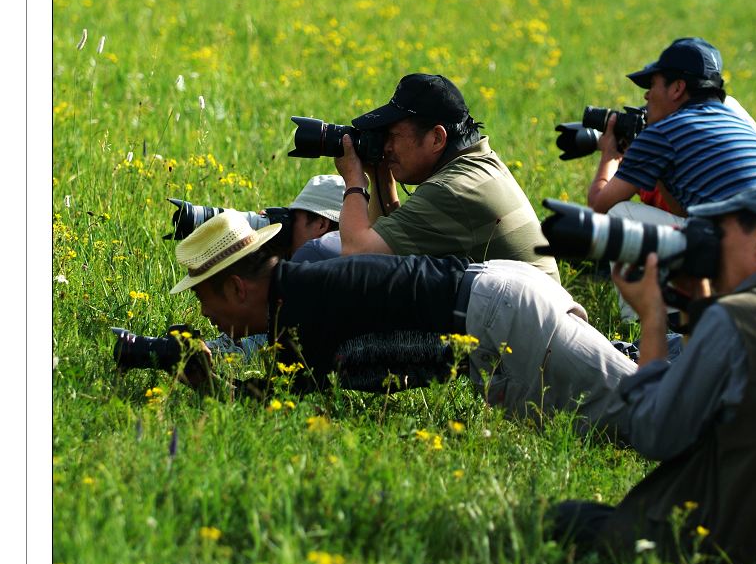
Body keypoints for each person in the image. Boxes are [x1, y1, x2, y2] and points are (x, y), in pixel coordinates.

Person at [550, 184, 756, 564]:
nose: (710, 244)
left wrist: (654, 319)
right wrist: (699, 314)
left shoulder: (738, 318)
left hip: (742, 555)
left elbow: (654, 434)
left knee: (566, 521)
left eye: (720, 233)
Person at [168, 209, 636, 425]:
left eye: (205, 299)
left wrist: (217, 389)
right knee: (624, 415)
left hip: (502, 313)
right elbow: (293, 387)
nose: (206, 314)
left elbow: (296, 397)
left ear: (236, 287)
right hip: (498, 301)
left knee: (650, 414)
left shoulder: (303, 306)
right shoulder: (295, 298)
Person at [333, 73, 560, 282]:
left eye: (393, 136)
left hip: (523, 321)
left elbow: (357, 255)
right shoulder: (478, 164)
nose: (387, 146)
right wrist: (380, 175)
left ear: (437, 138)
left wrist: (354, 180)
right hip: (528, 315)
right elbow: (388, 252)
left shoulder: (452, 189)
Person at [587, 37, 756, 221]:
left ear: (677, 88)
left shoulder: (662, 132)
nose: (646, 96)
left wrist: (610, 155)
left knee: (620, 213)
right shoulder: (740, 124)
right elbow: (687, 214)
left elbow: (599, 209)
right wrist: (660, 173)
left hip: (747, 252)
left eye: (652, 84)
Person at [204, 174, 345, 357]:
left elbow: (266, 326)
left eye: (294, 219)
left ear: (321, 224)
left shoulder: (315, 256)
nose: (289, 226)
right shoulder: (355, 262)